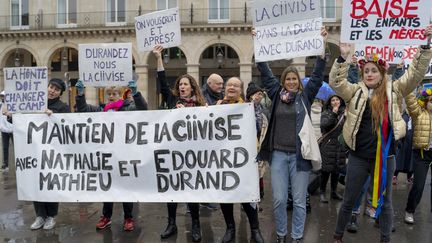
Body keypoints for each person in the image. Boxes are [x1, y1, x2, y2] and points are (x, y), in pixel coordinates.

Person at [330, 24, 432, 243]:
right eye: (366, 70)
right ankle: (337, 237)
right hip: (358, 157)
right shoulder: (355, 91)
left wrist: (425, 45)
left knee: (386, 204)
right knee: (349, 200)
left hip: (386, 158)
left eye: (373, 70)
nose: (369, 73)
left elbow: (415, 73)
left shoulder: (394, 89)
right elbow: (336, 83)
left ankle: (385, 239)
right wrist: (342, 57)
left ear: (382, 73)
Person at [256, 27, 328, 243]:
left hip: (299, 157)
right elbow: (265, 71)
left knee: (299, 201)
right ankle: (280, 234)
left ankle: (296, 236)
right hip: (278, 155)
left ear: (298, 81)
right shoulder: (277, 95)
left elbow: (317, 75)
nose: (291, 82)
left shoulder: (305, 97)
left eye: (294, 80)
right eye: (287, 80)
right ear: (283, 82)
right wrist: (258, 42)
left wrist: (322, 45)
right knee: (278, 200)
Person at [75, 78, 148, 232]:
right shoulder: (103, 110)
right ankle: (106, 217)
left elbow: (143, 108)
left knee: (125, 188)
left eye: (115, 93)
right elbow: (83, 109)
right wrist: (80, 94)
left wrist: (136, 93)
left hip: (124, 156)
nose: (111, 96)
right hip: (108, 157)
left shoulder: (128, 108)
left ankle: (128, 218)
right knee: (108, 187)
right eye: (109, 93)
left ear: (121, 94)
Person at [153, 45, 204, 242]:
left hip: (192, 154)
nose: (182, 86)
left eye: (186, 84)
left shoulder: (200, 105)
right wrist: (159, 57)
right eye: (180, 84)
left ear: (192, 87)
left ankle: (196, 225)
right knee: (172, 189)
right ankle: (171, 223)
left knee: (192, 191)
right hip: (173, 152)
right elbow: (162, 82)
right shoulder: (173, 100)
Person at [216, 77, 264, 243]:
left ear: (241, 89)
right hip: (223, 159)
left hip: (244, 159)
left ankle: (255, 229)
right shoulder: (217, 106)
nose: (231, 87)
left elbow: (258, 127)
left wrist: (255, 107)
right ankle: (230, 228)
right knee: (226, 195)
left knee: (247, 194)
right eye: (229, 84)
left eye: (236, 85)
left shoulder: (248, 107)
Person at [30, 78, 70, 230]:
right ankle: (40, 215)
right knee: (36, 183)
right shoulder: (35, 104)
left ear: (60, 93)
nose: (52, 91)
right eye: (51, 87)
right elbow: (22, 122)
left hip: (53, 153)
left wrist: (53, 116)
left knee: (51, 183)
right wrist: (10, 115)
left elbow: (67, 127)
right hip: (35, 151)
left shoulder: (63, 107)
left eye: (56, 89)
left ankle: (51, 216)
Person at [403, 89, 432, 224]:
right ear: (426, 102)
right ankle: (410, 210)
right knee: (419, 185)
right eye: (431, 101)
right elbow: (410, 100)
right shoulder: (419, 113)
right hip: (422, 154)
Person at [319, 95, 346, 203]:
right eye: (333, 100)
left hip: (340, 145)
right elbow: (325, 125)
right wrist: (334, 113)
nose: (335, 102)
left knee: (337, 170)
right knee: (326, 170)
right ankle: (322, 192)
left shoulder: (344, 113)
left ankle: (334, 192)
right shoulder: (326, 113)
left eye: (337, 99)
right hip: (328, 145)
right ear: (329, 103)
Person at [0, 90, 12, 172]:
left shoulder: (13, 105)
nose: (2, 97)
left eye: (4, 96)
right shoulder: (0, 105)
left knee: (17, 148)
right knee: (5, 148)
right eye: (1, 96)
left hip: (13, 129)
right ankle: (5, 165)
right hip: (4, 130)